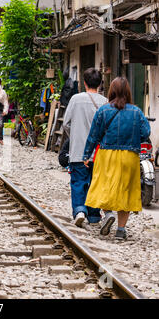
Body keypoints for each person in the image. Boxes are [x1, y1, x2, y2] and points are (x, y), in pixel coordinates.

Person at [83, 77, 150, 239]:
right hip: (130, 156)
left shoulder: (103, 110)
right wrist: (132, 139)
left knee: (103, 187)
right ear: (128, 91)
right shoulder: (136, 111)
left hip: (107, 155)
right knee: (126, 191)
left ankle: (108, 214)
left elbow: (93, 135)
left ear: (111, 90)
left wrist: (86, 155)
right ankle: (121, 230)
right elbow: (145, 133)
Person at [63, 68, 107, 227]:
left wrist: (74, 136)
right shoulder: (105, 102)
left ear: (84, 82)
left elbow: (66, 123)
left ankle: (80, 211)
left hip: (78, 150)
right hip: (98, 153)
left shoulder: (75, 99)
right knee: (95, 182)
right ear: (100, 83)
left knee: (78, 181)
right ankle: (94, 216)